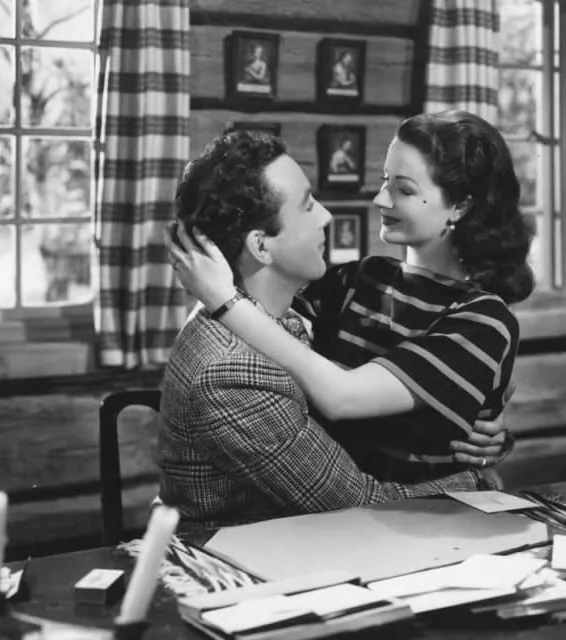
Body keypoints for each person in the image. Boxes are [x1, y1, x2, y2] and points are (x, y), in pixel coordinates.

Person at [159, 129, 510, 528]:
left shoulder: (280, 313)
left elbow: (360, 386)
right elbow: (359, 504)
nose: (327, 216)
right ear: (261, 246)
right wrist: (476, 481)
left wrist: (467, 418)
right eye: (308, 206)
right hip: (262, 554)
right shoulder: (232, 370)